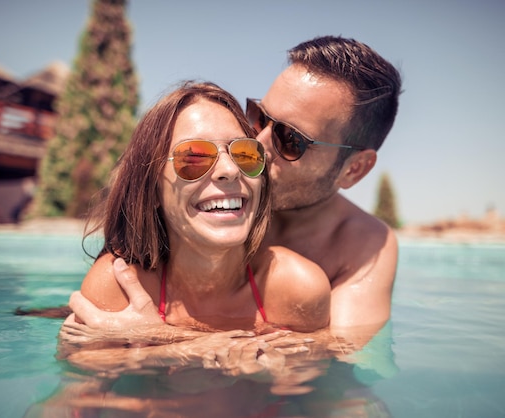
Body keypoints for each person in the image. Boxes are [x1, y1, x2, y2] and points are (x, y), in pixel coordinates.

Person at [67, 35, 402, 344]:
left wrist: (161, 338)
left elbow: (336, 357)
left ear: (353, 169)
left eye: (291, 139)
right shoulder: (133, 267)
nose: (258, 143)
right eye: (258, 117)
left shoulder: (362, 245)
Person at [68, 81, 330, 335]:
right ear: (152, 188)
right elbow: (85, 378)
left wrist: (158, 341)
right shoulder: (121, 285)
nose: (229, 170)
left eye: (245, 154)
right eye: (194, 157)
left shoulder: (297, 288)